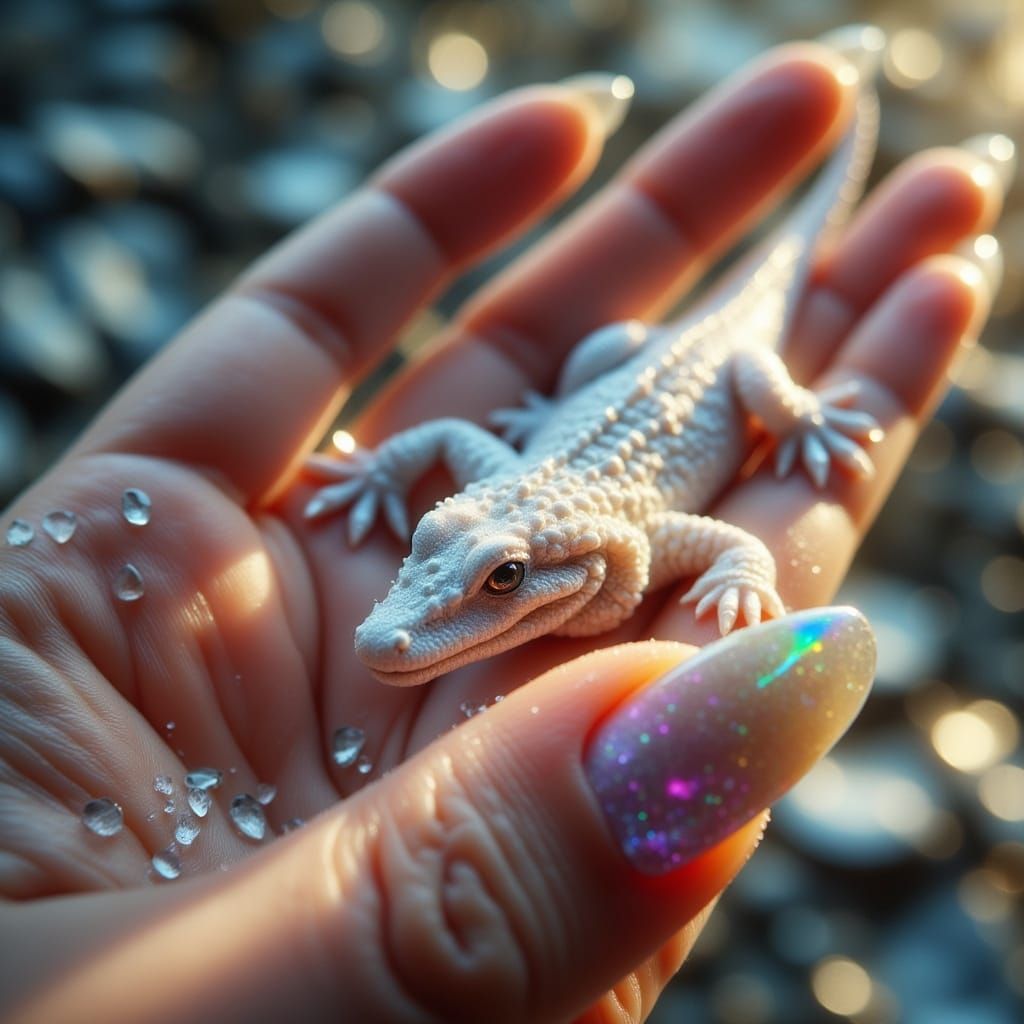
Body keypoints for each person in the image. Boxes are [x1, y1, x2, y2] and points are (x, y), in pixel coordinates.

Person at [0, 30, 1010, 1023]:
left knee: (733, 336)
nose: (400, 626)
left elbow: (740, 548)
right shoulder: (494, 482)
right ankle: (852, 89)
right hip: (596, 395)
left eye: (502, 580)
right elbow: (434, 438)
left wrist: (785, 423)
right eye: (457, 556)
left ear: (564, 573)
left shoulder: (641, 545)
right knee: (601, 361)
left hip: (723, 363)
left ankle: (856, 109)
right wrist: (377, 481)